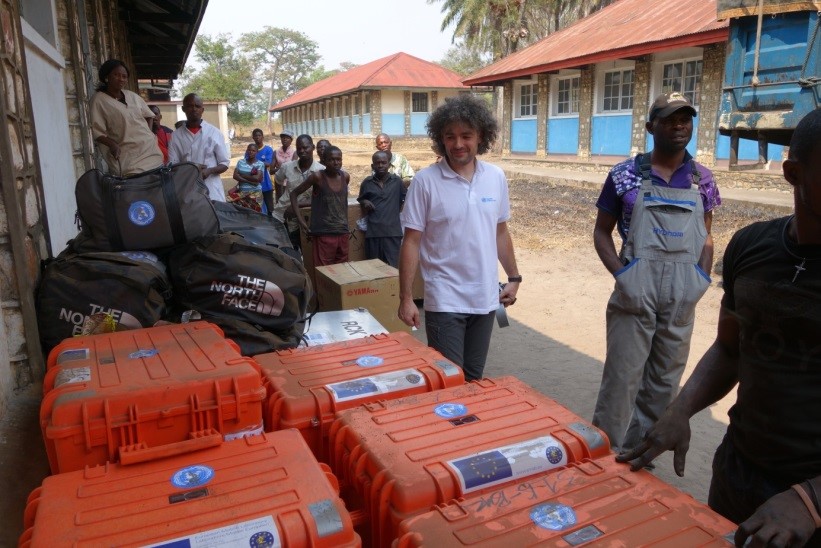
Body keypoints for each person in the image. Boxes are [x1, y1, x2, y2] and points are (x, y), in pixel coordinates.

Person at [619, 108, 821, 548]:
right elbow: (731, 349)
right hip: (739, 472)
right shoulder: (753, 247)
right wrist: (680, 408)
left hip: (807, 508)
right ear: (793, 173)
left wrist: (811, 498)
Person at [590, 92, 721, 454]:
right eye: (669, 119)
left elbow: (706, 237)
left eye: (685, 118)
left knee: (664, 384)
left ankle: (640, 456)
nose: (679, 125)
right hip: (636, 290)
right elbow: (602, 231)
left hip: (683, 296)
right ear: (651, 127)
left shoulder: (703, 180)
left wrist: (700, 281)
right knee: (621, 379)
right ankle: (604, 457)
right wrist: (622, 275)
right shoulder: (624, 175)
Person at [397, 94, 520, 382]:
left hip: (486, 298)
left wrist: (514, 278)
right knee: (449, 380)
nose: (458, 144)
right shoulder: (425, 182)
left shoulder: (495, 177)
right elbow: (411, 242)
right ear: (441, 139)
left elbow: (500, 231)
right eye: (450, 137)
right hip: (445, 298)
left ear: (481, 138)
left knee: (474, 378)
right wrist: (405, 298)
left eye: (466, 135)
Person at [89, 59, 163, 176]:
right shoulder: (99, 100)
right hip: (128, 157)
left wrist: (149, 134)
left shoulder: (132, 96)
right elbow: (96, 131)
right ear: (106, 77)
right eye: (116, 75)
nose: (121, 79)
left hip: (150, 152)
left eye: (124, 76)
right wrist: (112, 144)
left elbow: (149, 115)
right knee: (135, 188)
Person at [291, 146, 350, 266]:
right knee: (324, 273)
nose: (336, 162)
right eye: (331, 159)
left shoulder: (345, 177)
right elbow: (294, 194)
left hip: (342, 232)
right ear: (324, 160)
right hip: (324, 234)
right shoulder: (318, 177)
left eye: (339, 159)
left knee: (343, 273)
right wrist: (301, 221)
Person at [167, 93, 230, 202]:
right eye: (190, 106)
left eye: (197, 106)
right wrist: (189, 170)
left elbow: (224, 163)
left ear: (202, 110)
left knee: (214, 217)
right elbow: (173, 165)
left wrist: (209, 171)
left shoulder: (214, 133)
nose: (194, 109)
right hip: (187, 189)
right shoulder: (176, 136)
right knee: (191, 218)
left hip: (212, 191)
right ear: (183, 109)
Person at [273, 134, 324, 250]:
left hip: (305, 219)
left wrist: (297, 206)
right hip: (281, 216)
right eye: (299, 148)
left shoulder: (321, 171)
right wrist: (279, 198)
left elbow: (322, 198)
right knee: (280, 251)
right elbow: (278, 180)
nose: (302, 151)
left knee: (302, 252)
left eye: (305, 147)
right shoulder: (287, 167)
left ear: (313, 147)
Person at [357, 150, 407, 267]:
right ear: (372, 165)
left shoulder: (397, 182)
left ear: (389, 165)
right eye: (377, 163)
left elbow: (406, 199)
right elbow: (361, 199)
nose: (380, 165)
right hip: (373, 233)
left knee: (392, 269)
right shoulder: (367, 183)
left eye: (383, 163)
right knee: (374, 270)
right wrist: (365, 202)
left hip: (392, 233)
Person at [228, 143, 264, 212]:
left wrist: (242, 175)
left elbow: (257, 178)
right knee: (242, 213)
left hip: (255, 193)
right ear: (247, 151)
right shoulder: (240, 162)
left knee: (255, 214)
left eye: (253, 151)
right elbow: (235, 176)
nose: (251, 152)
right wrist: (250, 181)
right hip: (242, 192)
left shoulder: (260, 164)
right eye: (249, 150)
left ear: (257, 152)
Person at [250, 128, 275, 215]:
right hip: (253, 185)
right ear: (253, 137)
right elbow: (246, 164)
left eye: (259, 135)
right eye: (255, 136)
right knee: (257, 207)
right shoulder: (250, 149)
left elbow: (268, 163)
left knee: (270, 208)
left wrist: (254, 162)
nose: (257, 137)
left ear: (263, 137)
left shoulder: (268, 149)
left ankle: (272, 226)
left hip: (266, 184)